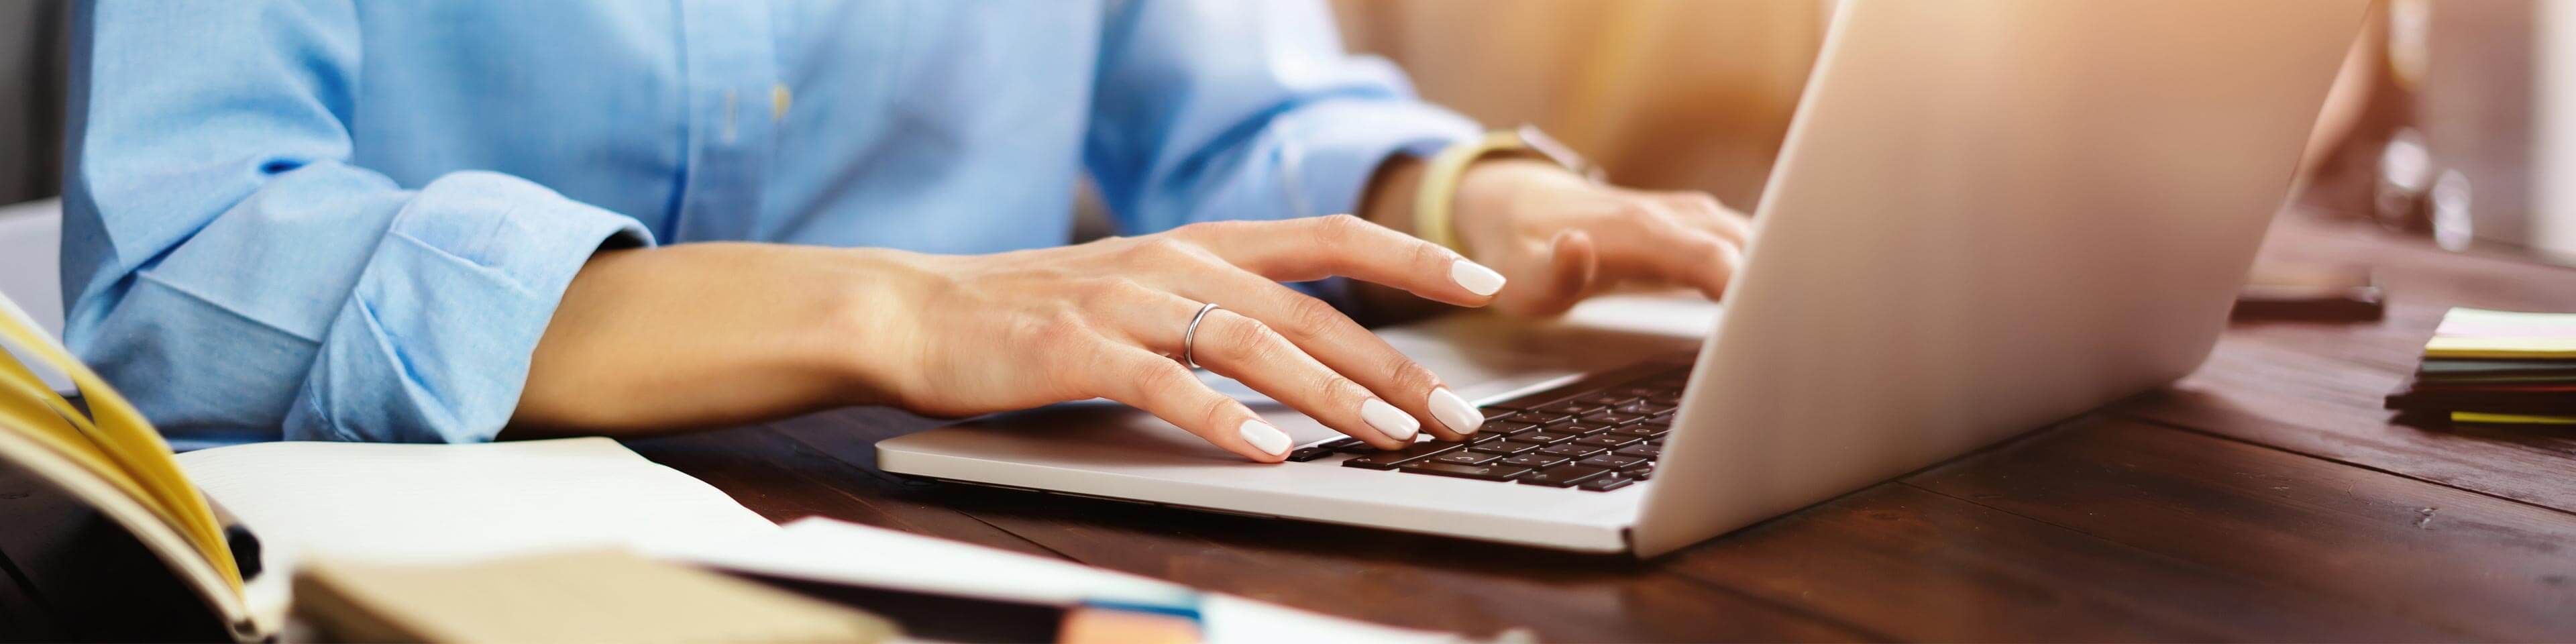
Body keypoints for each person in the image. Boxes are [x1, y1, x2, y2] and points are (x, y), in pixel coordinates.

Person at [60, 1, 1752, 462]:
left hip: (987, 544)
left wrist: (1468, 208)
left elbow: (1231, 108)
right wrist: (885, 307)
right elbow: (183, 254)